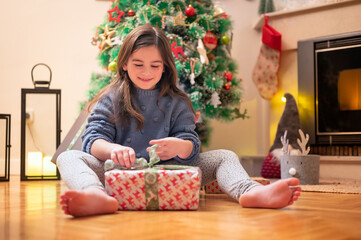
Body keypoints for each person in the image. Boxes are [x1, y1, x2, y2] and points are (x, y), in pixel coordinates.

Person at [57, 24, 301, 217]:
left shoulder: (177, 100)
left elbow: (190, 142)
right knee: (68, 157)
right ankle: (95, 195)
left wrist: (180, 146)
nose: (146, 72)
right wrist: (113, 150)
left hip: (174, 173)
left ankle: (251, 192)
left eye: (155, 65)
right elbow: (92, 140)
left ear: (165, 68)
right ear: (123, 64)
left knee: (225, 156)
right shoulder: (111, 97)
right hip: (119, 173)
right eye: (138, 64)